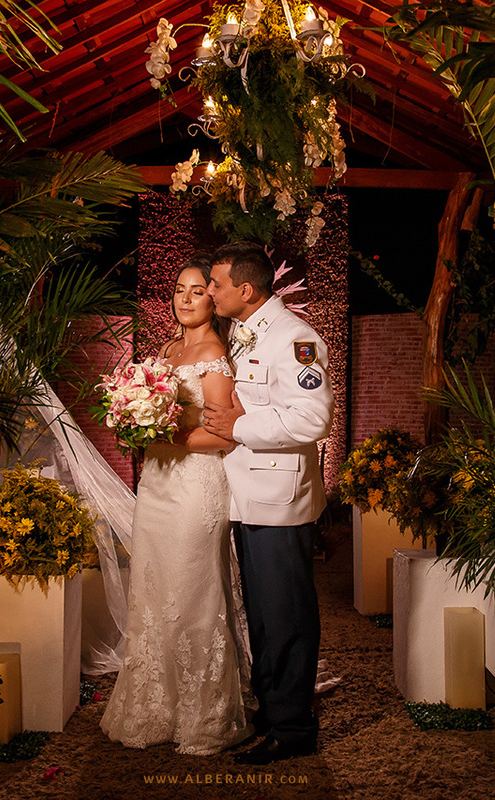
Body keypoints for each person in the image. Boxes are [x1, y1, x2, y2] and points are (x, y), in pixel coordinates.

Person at [99, 256, 254, 755]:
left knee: (192, 590)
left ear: (214, 300)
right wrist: (133, 424)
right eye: (179, 291)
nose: (186, 299)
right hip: (158, 489)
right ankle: (156, 705)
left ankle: (205, 713)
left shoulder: (213, 355)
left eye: (197, 291)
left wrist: (165, 435)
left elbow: (224, 436)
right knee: (153, 587)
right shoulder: (165, 350)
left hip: (194, 490)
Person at [203, 242, 333, 765]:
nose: (210, 292)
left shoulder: (297, 339)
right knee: (262, 614)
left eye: (215, 283)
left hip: (279, 502)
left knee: (287, 616)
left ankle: (294, 728)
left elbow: (311, 420)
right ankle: (273, 706)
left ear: (245, 290)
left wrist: (238, 426)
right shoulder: (246, 329)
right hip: (248, 496)